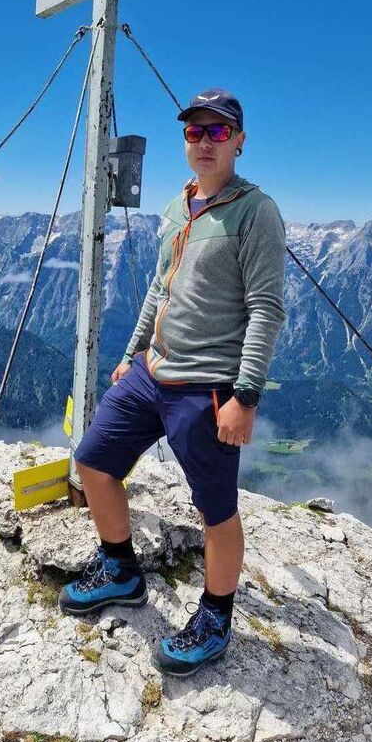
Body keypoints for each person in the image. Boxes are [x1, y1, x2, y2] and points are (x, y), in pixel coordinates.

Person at [59, 88, 287, 678]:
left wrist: (245, 396)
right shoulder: (176, 206)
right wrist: (131, 353)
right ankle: (120, 569)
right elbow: (160, 289)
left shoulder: (255, 211)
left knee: (215, 510)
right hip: (151, 371)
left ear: (239, 141)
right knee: (93, 461)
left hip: (207, 386)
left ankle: (215, 618)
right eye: (194, 131)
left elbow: (265, 309)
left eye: (218, 131)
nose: (205, 142)